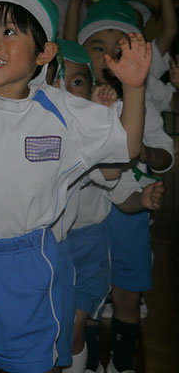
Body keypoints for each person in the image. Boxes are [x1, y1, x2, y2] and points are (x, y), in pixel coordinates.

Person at [0, 0, 149, 373]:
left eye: (9, 31)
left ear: (44, 53)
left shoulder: (62, 112)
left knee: (24, 362)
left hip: (26, 263)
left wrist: (134, 88)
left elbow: (126, 146)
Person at [51, 40, 165, 373]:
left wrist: (141, 200)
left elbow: (120, 191)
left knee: (77, 321)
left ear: (92, 89)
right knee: (61, 325)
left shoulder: (97, 138)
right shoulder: (38, 138)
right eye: (55, 81)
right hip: (50, 248)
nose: (65, 91)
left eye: (76, 82)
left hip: (90, 247)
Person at [77, 0, 174, 373]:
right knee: (86, 299)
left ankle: (122, 363)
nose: (106, 57)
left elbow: (164, 156)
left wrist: (141, 151)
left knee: (127, 297)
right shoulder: (75, 100)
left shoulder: (142, 100)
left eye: (116, 48)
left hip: (129, 213)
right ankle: (87, 363)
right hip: (85, 219)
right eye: (96, 46)